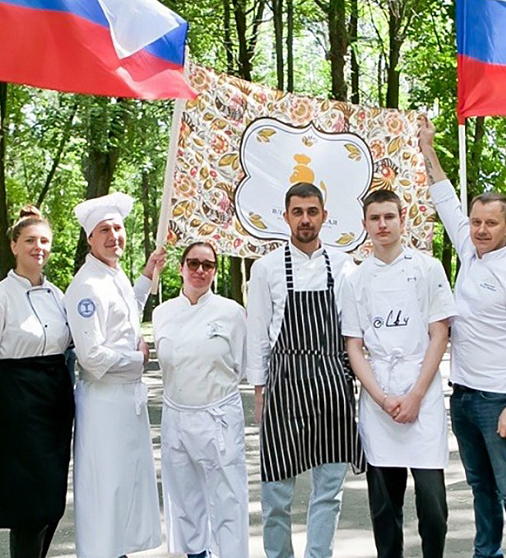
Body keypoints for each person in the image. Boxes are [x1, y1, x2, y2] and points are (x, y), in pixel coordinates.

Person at [420, 114, 506, 558]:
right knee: (480, 487)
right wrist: (428, 147)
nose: (481, 229)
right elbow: (445, 199)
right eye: (476, 222)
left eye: (490, 223)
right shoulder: (470, 253)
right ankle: (486, 552)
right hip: (464, 396)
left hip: (499, 400)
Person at [246, 182, 363, 558]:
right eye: (298, 212)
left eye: (312, 212)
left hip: (332, 381)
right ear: (286, 217)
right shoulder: (265, 268)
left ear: (324, 216)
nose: (305, 219)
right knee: (277, 491)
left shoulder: (344, 265)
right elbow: (258, 334)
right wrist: (259, 391)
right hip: (284, 382)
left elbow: (352, 333)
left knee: (328, 490)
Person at [341, 189, 457, 558]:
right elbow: (354, 346)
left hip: (420, 391)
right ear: (365, 225)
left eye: (389, 217)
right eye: (374, 218)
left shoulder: (427, 269)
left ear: (401, 219)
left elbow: (439, 333)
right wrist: (382, 397)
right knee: (385, 507)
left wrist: (415, 396)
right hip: (380, 398)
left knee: (433, 506)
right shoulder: (354, 280)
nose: (382, 225)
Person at [0, 206, 74, 557]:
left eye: (44, 241)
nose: (38, 247)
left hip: (56, 400)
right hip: (18, 406)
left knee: (52, 500)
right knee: (28, 508)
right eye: (29, 240)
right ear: (13, 245)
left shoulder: (59, 296)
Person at [63, 192, 166, 558]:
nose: (113, 236)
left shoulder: (114, 274)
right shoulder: (86, 286)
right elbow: (92, 356)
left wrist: (147, 273)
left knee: (125, 485)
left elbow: (127, 312)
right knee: (105, 488)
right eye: (104, 230)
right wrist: (137, 358)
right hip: (104, 400)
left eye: (118, 228)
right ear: (90, 238)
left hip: (127, 402)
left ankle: (118, 550)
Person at [153, 241, 248, 558]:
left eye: (207, 265)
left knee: (228, 497)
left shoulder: (232, 313)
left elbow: (241, 364)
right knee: (184, 496)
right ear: (181, 268)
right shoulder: (162, 313)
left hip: (217, 414)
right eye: (193, 263)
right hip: (176, 415)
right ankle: (196, 553)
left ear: (215, 271)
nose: (199, 270)